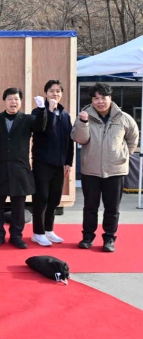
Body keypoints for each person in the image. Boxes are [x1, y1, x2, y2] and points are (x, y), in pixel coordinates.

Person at [72, 82, 139, 253]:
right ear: (92, 100)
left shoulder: (124, 118)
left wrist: (124, 155)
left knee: (112, 208)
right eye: (96, 98)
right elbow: (80, 139)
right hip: (91, 170)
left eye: (103, 97)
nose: (100, 101)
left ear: (110, 98)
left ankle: (109, 238)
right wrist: (83, 122)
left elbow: (133, 137)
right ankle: (87, 237)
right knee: (90, 207)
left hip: (115, 171)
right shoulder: (84, 117)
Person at [0, 88, 48, 249]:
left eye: (16, 99)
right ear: (4, 101)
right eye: (10, 99)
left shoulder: (27, 119)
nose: (13, 102)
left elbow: (41, 126)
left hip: (19, 169)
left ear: (20, 101)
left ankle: (16, 236)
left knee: (19, 207)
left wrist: (42, 109)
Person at [30, 79, 74, 246]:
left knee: (54, 199)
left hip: (59, 163)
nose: (55, 94)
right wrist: (49, 110)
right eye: (51, 91)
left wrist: (68, 161)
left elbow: (69, 140)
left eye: (58, 91)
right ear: (45, 93)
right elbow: (45, 129)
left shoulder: (65, 115)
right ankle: (38, 232)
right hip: (42, 162)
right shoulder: (38, 112)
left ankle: (49, 229)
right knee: (41, 198)